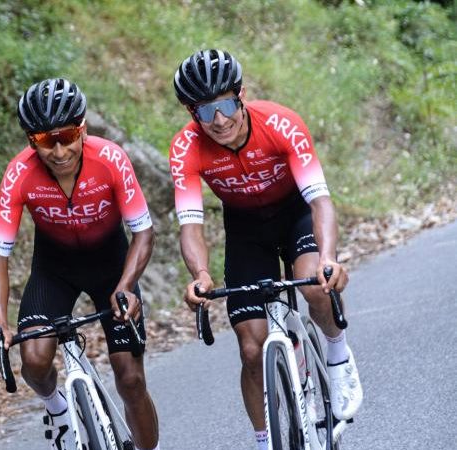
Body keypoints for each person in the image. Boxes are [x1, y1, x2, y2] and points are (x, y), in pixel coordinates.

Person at [169, 49, 363, 450]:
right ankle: (265, 440)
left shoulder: (280, 122)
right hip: (245, 230)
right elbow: (190, 224)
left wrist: (328, 257)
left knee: (315, 285)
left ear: (240, 95)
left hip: (295, 214)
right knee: (251, 346)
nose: (219, 120)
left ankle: (338, 354)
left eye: (225, 105)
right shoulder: (185, 148)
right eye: (205, 112)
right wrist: (201, 276)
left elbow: (320, 201)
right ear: (192, 113)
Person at [0, 78, 160, 450]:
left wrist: (125, 286)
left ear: (83, 129)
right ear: (32, 141)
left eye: (67, 136)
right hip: (54, 271)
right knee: (34, 359)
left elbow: (143, 233)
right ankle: (57, 408)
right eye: (45, 140)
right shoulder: (19, 174)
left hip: (112, 269)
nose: (59, 150)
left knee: (130, 379)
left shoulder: (110, 159)